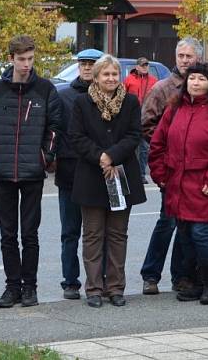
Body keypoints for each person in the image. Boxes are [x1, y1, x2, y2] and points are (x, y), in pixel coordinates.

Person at [149, 62, 208, 305]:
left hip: (204, 186)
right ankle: (195, 282)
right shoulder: (174, 109)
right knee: (186, 234)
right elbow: (158, 144)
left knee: (200, 232)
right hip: (176, 183)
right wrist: (160, 175)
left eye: (201, 79)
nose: (195, 83)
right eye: (192, 79)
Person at [0, 35, 62, 308]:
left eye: (30, 59)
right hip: (4, 172)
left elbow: (54, 128)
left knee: (30, 234)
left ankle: (30, 288)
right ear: (11, 59)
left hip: (32, 173)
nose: (26, 64)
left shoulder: (45, 90)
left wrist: (45, 157)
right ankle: (11, 288)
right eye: (21, 59)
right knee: (8, 234)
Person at [68, 54, 146, 308]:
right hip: (91, 177)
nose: (111, 78)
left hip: (122, 175)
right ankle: (93, 289)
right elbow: (76, 137)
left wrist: (112, 155)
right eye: (106, 74)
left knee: (117, 235)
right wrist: (100, 156)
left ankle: (115, 287)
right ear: (97, 76)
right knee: (92, 235)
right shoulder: (82, 103)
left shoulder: (131, 102)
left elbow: (135, 135)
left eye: (114, 74)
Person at [139, 37, 203, 295]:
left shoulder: (204, 88)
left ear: (197, 58)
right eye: (181, 56)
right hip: (172, 168)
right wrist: (167, 150)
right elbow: (146, 124)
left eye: (189, 57)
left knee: (187, 226)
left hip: (196, 171)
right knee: (168, 222)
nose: (185, 61)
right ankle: (150, 275)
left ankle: (181, 277)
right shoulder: (163, 89)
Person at [55, 48, 103, 300]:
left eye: (91, 64)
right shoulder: (63, 96)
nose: (86, 67)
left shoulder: (109, 96)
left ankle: (99, 279)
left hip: (98, 171)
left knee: (99, 231)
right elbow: (58, 133)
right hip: (70, 171)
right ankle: (70, 281)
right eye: (83, 63)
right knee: (70, 231)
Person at [123, 56, 158, 183]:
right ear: (137, 67)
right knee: (131, 146)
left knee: (144, 148)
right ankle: (131, 173)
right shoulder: (128, 80)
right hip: (131, 118)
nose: (145, 67)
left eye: (146, 65)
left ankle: (142, 174)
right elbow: (122, 97)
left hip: (146, 118)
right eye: (142, 65)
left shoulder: (154, 81)